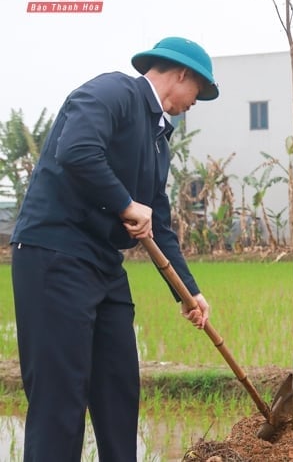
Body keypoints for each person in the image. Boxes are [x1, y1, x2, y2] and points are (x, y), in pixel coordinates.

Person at [11, 36, 220, 461]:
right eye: (198, 92)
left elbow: (156, 222)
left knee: (118, 389)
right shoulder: (113, 92)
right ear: (181, 74)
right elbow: (77, 151)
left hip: (102, 264)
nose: (195, 103)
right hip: (54, 253)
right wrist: (125, 203)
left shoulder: (159, 140)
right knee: (60, 398)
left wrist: (187, 291)